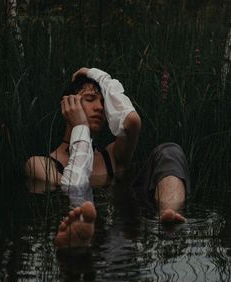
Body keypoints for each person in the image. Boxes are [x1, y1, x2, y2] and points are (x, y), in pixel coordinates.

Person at [26, 67, 190, 249]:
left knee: (169, 150)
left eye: (104, 103)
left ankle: (170, 214)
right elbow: (75, 190)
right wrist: (80, 126)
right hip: (77, 224)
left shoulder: (112, 155)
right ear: (68, 105)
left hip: (129, 219)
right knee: (78, 214)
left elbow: (132, 121)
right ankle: (78, 241)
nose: (100, 108)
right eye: (90, 99)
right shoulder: (40, 164)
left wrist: (98, 76)